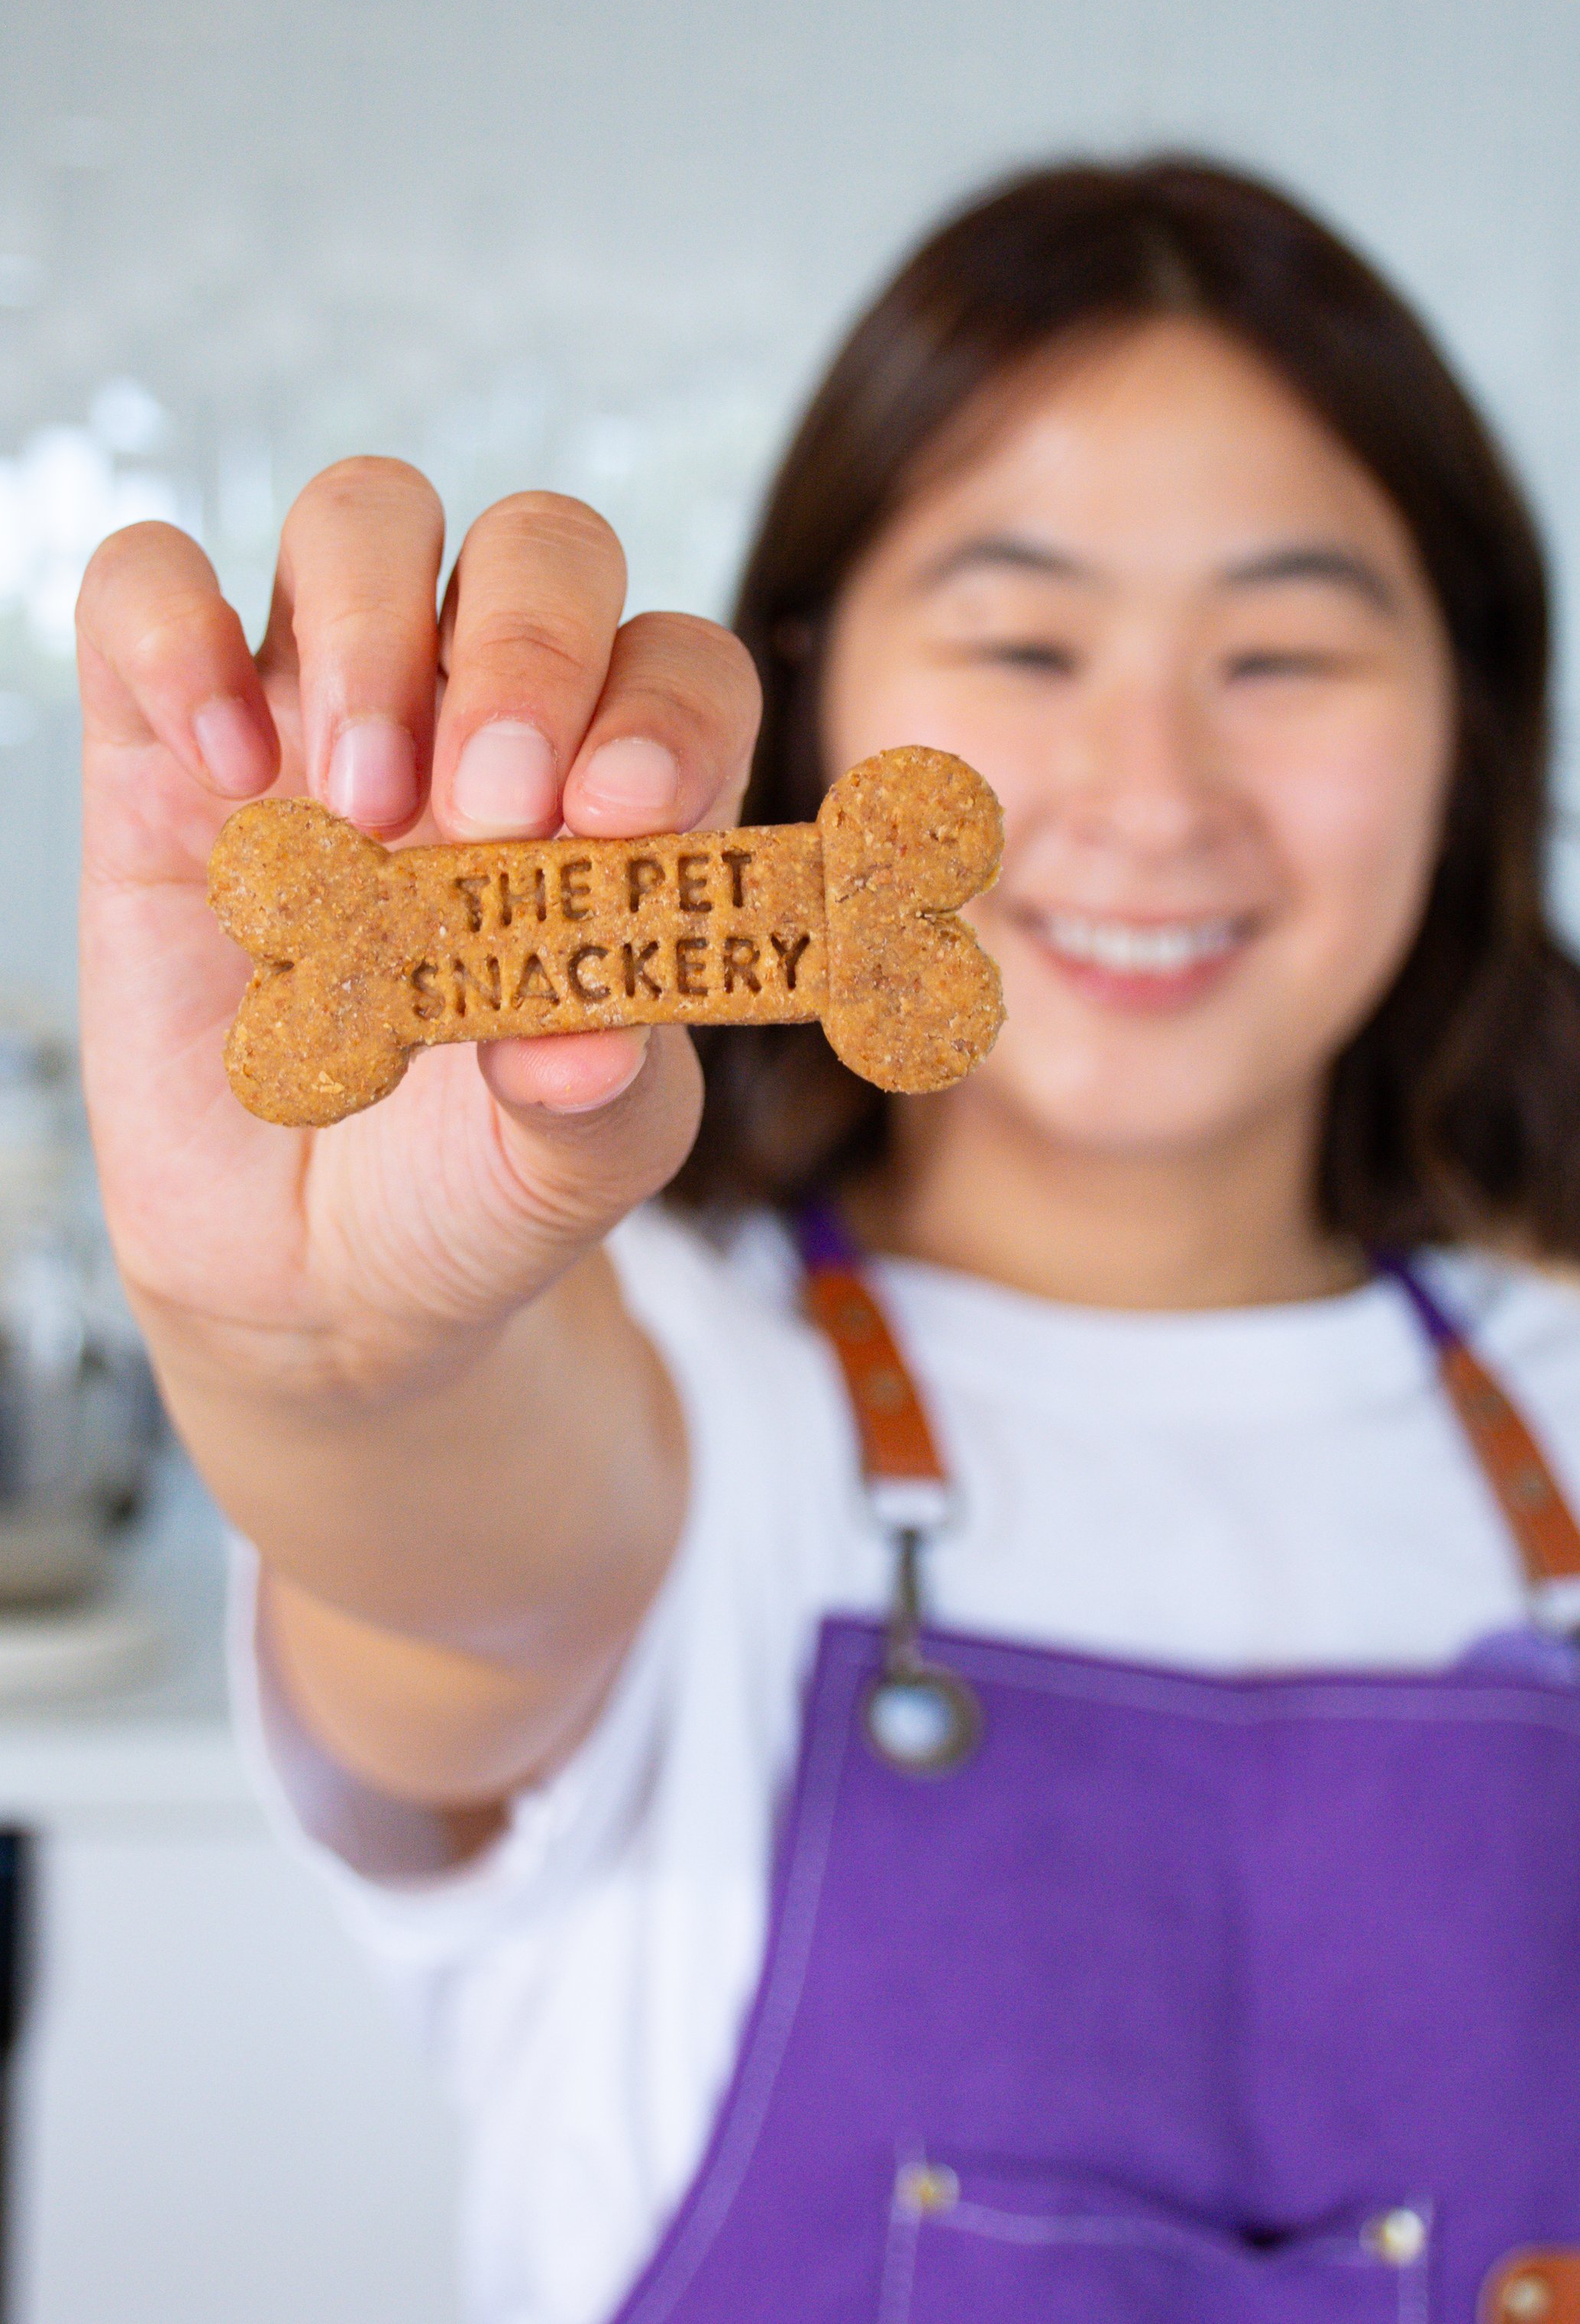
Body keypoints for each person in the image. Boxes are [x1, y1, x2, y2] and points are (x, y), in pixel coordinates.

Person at [76, 158, 1580, 2324]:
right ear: (812, 704)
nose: (1147, 790)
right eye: (1023, 637)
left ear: (1465, 726)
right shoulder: (649, 1371)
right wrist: (330, 1375)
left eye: (1281, 652)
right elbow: (459, 1567)